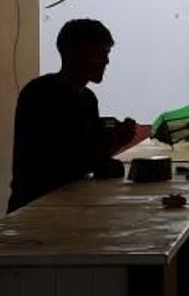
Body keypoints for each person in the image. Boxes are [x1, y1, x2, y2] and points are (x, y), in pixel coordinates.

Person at [7, 19, 138, 213]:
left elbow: (90, 160)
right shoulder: (42, 94)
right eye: (101, 52)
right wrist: (114, 141)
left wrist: (115, 142)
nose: (106, 61)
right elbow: (63, 164)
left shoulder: (87, 98)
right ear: (75, 53)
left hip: (67, 206)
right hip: (37, 209)